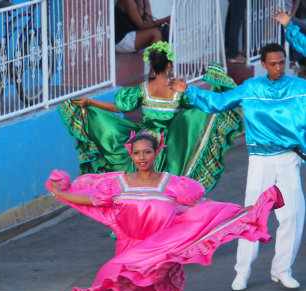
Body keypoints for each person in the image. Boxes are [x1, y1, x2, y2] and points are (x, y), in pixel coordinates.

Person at [47, 133, 283, 291]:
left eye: (147, 152)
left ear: (157, 152)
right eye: (137, 153)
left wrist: (242, 212)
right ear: (130, 154)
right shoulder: (118, 185)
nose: (142, 158)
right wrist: (62, 193)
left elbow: (204, 208)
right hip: (127, 259)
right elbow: (90, 200)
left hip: (162, 260)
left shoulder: (175, 186)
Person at [170, 43, 306, 291]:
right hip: (260, 159)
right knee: (251, 215)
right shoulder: (251, 88)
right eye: (273, 64)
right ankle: (242, 272)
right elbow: (220, 102)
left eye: (282, 62)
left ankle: (282, 270)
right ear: (263, 65)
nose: (278, 68)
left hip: (289, 157)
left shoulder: (301, 88)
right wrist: (188, 91)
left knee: (293, 215)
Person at [57, 41, 243, 193]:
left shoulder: (143, 89)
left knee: (139, 185)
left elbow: (118, 107)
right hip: (171, 147)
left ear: (152, 66)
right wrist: (215, 90)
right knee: (168, 188)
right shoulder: (177, 92)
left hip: (143, 143)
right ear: (169, 65)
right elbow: (199, 105)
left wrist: (90, 103)